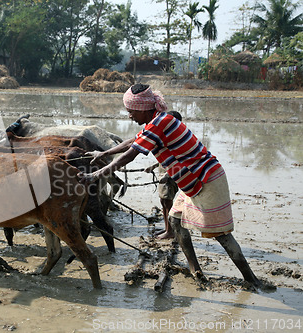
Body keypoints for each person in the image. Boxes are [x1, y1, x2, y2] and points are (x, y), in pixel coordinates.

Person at [78, 84, 260, 286]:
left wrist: (98, 173)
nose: (129, 116)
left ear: (143, 108)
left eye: (130, 111)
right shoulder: (155, 123)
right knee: (175, 221)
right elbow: (133, 141)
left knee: (221, 235)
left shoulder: (161, 122)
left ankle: (251, 279)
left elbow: (132, 153)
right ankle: (194, 269)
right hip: (189, 181)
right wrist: (103, 154)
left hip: (206, 178)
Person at [144, 110, 182, 240]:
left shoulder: (178, 139)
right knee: (163, 202)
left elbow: (179, 160)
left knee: (168, 203)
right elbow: (164, 157)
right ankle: (167, 228)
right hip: (163, 176)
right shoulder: (168, 137)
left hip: (170, 177)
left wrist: (168, 175)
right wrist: (154, 166)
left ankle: (171, 231)